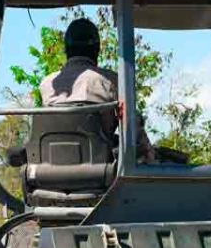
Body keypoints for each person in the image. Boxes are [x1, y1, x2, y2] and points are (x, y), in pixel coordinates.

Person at [39, 17, 155, 162]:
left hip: (51, 170)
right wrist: (152, 159)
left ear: (66, 49)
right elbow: (134, 130)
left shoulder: (46, 84)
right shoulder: (114, 81)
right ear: (97, 49)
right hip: (102, 173)